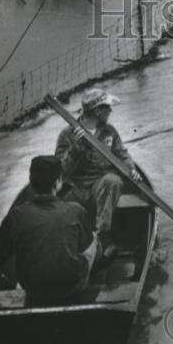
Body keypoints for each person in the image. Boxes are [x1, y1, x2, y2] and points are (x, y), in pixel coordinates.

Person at [0, 155, 98, 303]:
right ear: (58, 181)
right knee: (94, 239)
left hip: (33, 290)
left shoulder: (16, 216)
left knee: (4, 252)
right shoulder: (76, 210)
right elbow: (84, 245)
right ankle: (98, 270)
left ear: (32, 182)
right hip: (72, 287)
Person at [55, 87, 141, 260]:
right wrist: (77, 148)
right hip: (75, 188)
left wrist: (132, 169)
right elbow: (60, 170)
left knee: (113, 181)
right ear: (98, 111)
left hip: (99, 185)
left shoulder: (110, 131)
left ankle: (103, 237)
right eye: (107, 107)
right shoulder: (67, 135)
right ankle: (67, 246)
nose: (110, 110)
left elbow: (121, 154)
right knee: (55, 204)